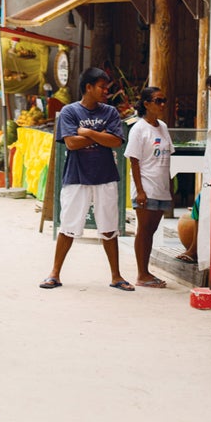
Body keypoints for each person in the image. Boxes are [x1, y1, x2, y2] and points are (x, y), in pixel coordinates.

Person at [39, 65, 132, 291]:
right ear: (88, 87)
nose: (106, 92)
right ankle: (54, 273)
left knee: (109, 228)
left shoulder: (110, 112)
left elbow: (116, 142)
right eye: (102, 87)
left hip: (105, 176)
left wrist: (88, 133)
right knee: (68, 225)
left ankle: (116, 275)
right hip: (76, 176)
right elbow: (70, 142)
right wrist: (101, 137)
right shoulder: (70, 112)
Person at [125, 86, 173, 287]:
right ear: (146, 104)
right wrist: (141, 190)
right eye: (158, 101)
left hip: (161, 187)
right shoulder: (138, 129)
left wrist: (169, 187)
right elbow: (134, 161)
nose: (162, 105)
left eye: (164, 100)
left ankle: (146, 272)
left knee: (151, 231)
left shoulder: (162, 126)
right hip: (146, 187)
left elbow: (168, 155)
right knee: (143, 230)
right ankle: (142, 274)